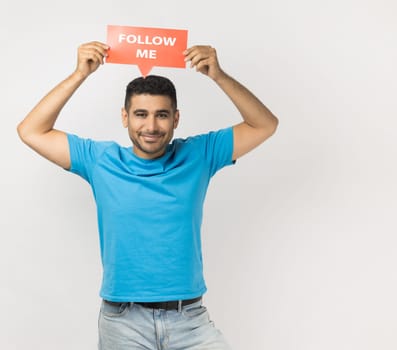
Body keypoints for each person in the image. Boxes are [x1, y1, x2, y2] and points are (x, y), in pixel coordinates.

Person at [17, 41, 278, 350]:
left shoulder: (199, 155)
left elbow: (265, 124)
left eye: (162, 115)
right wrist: (79, 74)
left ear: (176, 119)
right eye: (141, 114)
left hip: (190, 319)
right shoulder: (101, 160)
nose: (151, 126)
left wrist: (218, 76)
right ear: (125, 117)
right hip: (123, 322)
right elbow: (31, 130)